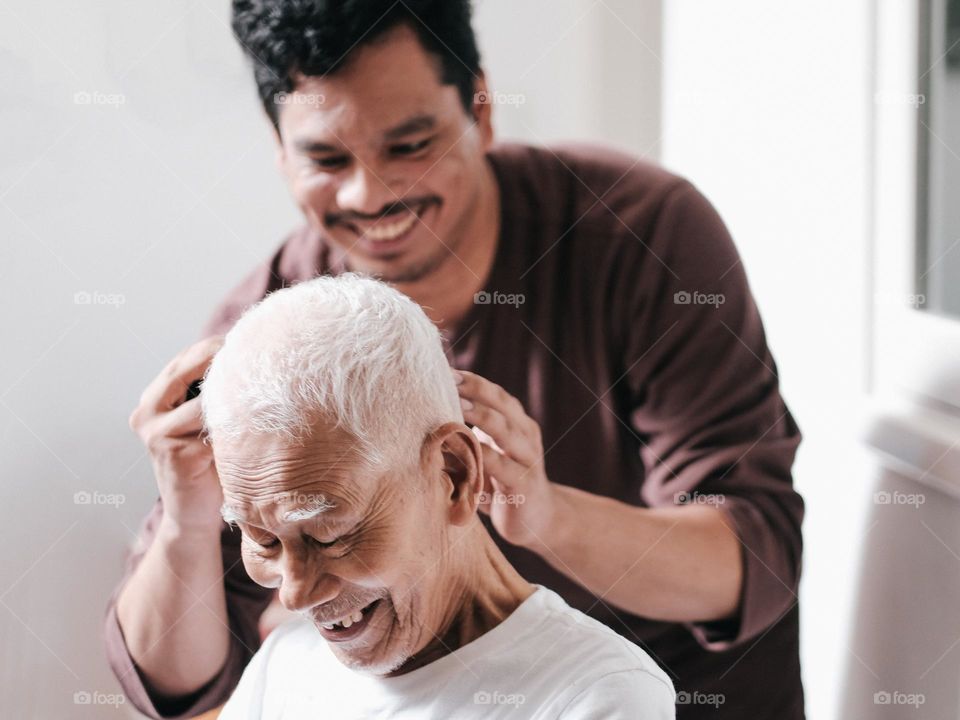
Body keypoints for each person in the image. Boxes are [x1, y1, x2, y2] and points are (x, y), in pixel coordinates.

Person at [105, 1, 805, 718]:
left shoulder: (640, 237)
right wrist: (186, 522)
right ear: (279, 150)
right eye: (327, 158)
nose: (370, 194)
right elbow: (178, 686)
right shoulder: (268, 328)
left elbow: (751, 564)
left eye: (410, 146)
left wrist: (547, 517)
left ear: (483, 110)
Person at [195, 272, 675, 718]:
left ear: (454, 475)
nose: (294, 595)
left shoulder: (596, 693)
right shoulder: (286, 661)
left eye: (328, 535)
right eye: (264, 541)